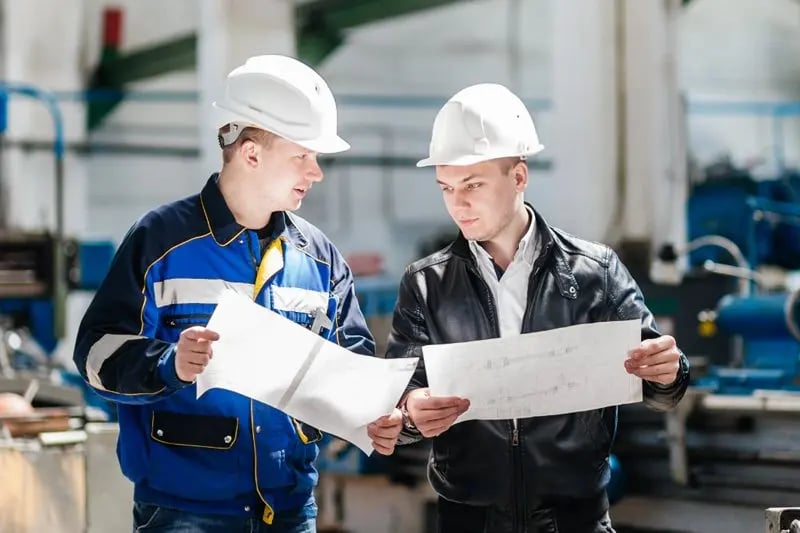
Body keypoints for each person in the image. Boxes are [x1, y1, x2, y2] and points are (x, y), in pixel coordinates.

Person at [73, 54, 402, 533]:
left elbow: (352, 362)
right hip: (185, 513)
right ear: (251, 153)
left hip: (289, 511)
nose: (316, 172)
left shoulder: (321, 259)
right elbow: (95, 354)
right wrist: (171, 363)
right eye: (303, 156)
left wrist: (378, 414)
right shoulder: (161, 242)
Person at [385, 83, 690, 533]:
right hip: (470, 520)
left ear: (519, 177)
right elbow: (398, 402)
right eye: (446, 187)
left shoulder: (595, 272)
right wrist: (411, 409)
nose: (458, 204)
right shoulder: (426, 283)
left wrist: (669, 371)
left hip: (574, 520)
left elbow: (661, 389)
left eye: (473, 184)